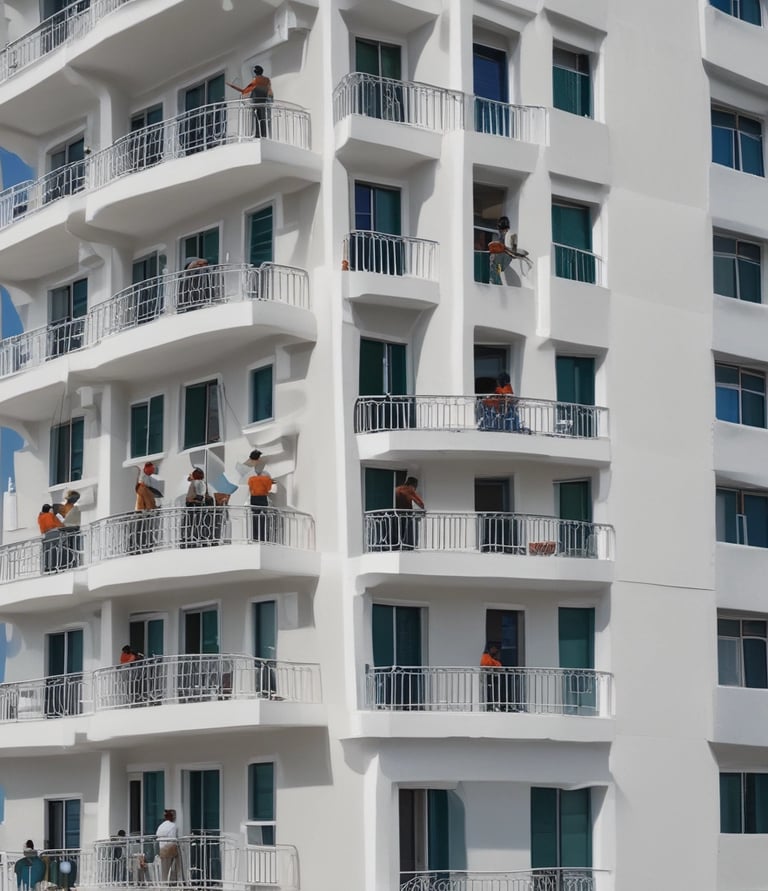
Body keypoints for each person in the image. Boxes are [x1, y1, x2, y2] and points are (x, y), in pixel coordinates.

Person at [229, 65, 273, 137]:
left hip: (256, 103)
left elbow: (248, 91)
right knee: (262, 120)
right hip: (263, 103)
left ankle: (257, 135)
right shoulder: (266, 80)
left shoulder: (256, 80)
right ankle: (263, 134)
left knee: (256, 120)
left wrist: (243, 96)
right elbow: (269, 92)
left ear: (255, 72)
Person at [488, 216, 531, 284]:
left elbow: (513, 250)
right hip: (502, 257)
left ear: (506, 229)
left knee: (495, 261)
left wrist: (505, 248)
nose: (501, 232)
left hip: (507, 256)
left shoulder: (512, 235)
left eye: (501, 230)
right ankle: (497, 280)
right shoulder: (501, 237)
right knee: (496, 264)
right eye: (500, 230)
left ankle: (496, 281)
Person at [393, 477, 425, 550]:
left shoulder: (397, 489)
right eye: (416, 486)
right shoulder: (409, 490)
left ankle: (397, 545)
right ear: (413, 484)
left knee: (398, 531)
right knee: (407, 531)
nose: (415, 488)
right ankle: (407, 545)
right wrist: (422, 509)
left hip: (396, 515)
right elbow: (420, 503)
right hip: (406, 514)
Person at [248, 468, 273, 542]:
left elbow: (250, 488)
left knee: (255, 517)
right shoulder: (267, 479)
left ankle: (255, 537)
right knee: (263, 518)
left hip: (253, 498)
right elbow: (269, 489)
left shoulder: (251, 479)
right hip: (262, 498)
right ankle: (262, 537)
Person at [38, 503, 64, 573]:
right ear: (48, 510)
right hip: (54, 533)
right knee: (58, 549)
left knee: (48, 551)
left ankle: (47, 567)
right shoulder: (50, 515)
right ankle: (60, 565)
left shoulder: (40, 517)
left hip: (46, 535)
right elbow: (57, 525)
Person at [156, 809, 179, 883]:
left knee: (164, 870)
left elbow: (157, 836)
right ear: (171, 817)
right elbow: (173, 839)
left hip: (161, 850)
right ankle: (173, 882)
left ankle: (163, 884)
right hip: (170, 849)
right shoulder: (173, 826)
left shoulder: (160, 826)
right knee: (173, 869)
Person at [481, 642, 503, 711]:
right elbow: (485, 664)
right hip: (488, 678)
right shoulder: (486, 656)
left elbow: (499, 666)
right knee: (490, 692)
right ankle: (490, 706)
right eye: (494, 648)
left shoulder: (494, 657)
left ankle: (495, 706)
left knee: (495, 692)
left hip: (494, 678)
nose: (495, 650)